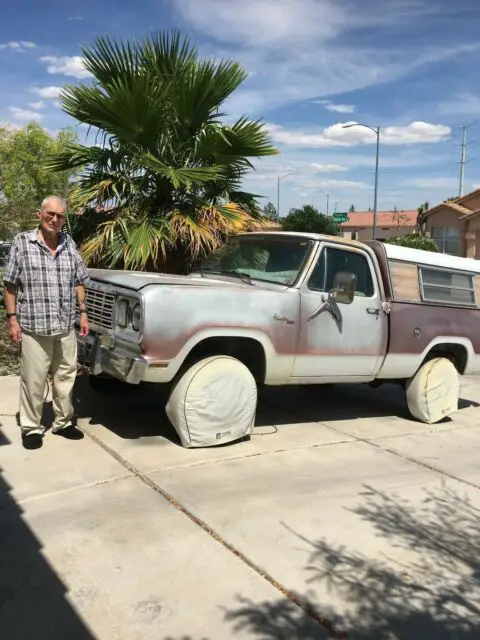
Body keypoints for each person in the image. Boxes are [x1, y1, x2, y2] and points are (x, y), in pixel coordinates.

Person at [3, 196, 90, 449]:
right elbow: (10, 286)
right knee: (34, 379)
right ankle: (31, 427)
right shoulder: (23, 242)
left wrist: (83, 313)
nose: (55, 219)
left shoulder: (68, 243)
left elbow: (79, 281)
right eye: (50, 214)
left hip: (64, 325)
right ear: (39, 214)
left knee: (66, 376)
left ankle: (63, 423)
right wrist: (12, 320)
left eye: (60, 215)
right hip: (34, 326)